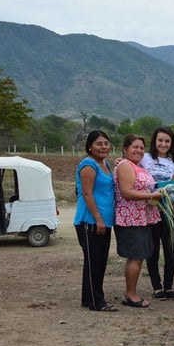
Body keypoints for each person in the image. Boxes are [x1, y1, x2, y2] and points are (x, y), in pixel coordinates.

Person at [114, 134, 163, 308]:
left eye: (142, 148)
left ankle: (131, 292)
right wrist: (152, 195)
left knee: (138, 256)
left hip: (141, 218)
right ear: (125, 149)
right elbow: (126, 192)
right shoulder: (126, 166)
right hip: (131, 219)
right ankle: (131, 295)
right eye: (135, 147)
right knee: (135, 257)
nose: (139, 150)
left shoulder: (136, 166)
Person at [74, 131, 117, 312]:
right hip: (90, 220)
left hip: (104, 221)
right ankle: (96, 301)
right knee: (94, 261)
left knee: (99, 260)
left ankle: (88, 297)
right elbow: (87, 193)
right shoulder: (89, 165)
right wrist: (98, 218)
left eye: (106, 143)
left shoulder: (105, 164)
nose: (103, 147)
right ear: (90, 146)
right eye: (99, 144)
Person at [139, 126, 174, 300]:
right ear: (154, 141)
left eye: (167, 141)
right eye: (160, 140)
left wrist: (173, 204)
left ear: (171, 143)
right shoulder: (145, 158)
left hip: (169, 212)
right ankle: (157, 287)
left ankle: (169, 286)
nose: (163, 144)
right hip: (150, 210)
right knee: (153, 250)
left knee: (170, 250)